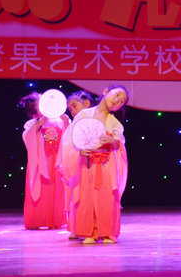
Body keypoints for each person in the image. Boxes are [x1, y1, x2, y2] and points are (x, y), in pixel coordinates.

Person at [65, 85, 129, 244]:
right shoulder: (84, 115)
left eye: (122, 101)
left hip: (106, 164)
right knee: (87, 197)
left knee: (106, 197)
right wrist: (79, 150)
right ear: (106, 92)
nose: (118, 100)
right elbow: (70, 139)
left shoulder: (114, 123)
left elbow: (120, 145)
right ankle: (89, 232)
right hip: (86, 163)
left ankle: (107, 232)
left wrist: (113, 141)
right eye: (117, 95)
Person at [20, 92, 68, 230]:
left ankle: (56, 219)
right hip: (41, 162)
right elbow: (28, 141)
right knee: (41, 191)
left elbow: (70, 137)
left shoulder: (60, 119)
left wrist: (66, 123)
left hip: (57, 162)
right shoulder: (32, 124)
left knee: (57, 191)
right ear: (35, 114)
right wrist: (36, 128)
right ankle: (37, 220)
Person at [56, 90, 94, 239]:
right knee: (77, 195)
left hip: (93, 163)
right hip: (78, 164)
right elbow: (67, 145)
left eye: (74, 105)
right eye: (70, 108)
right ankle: (76, 227)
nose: (72, 110)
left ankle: (92, 227)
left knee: (90, 197)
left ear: (87, 103)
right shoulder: (74, 124)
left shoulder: (95, 120)